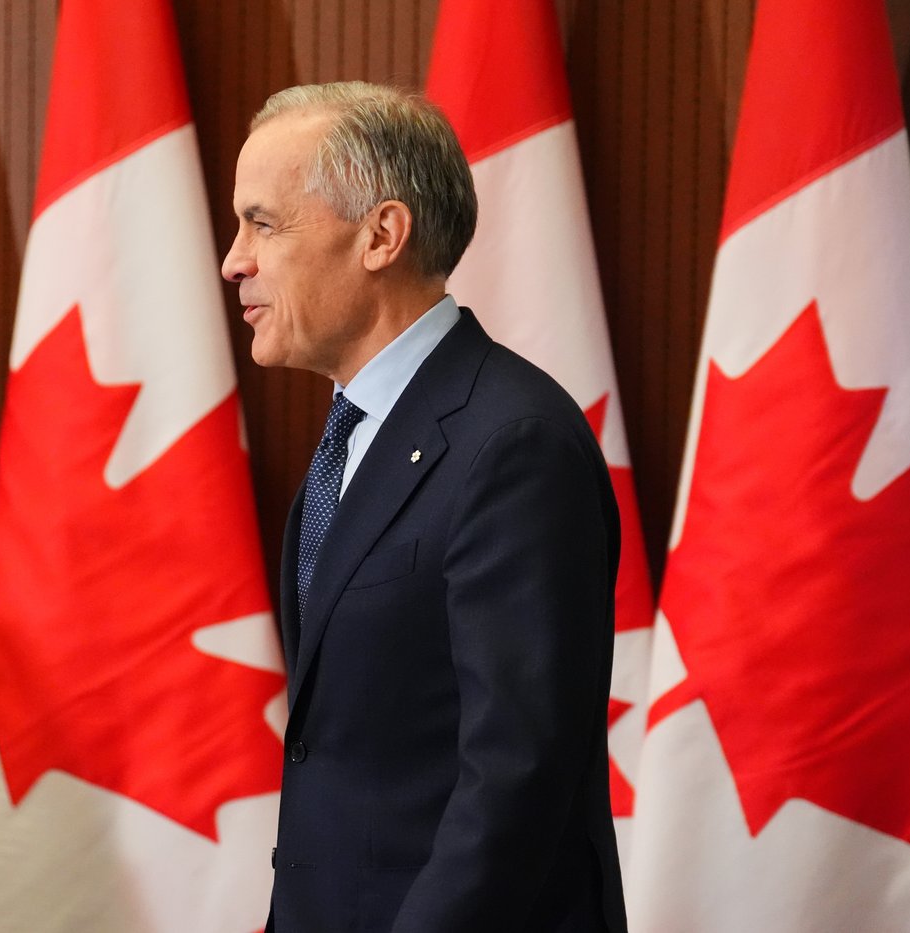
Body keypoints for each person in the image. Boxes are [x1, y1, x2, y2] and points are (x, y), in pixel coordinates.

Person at [221, 81, 627, 933]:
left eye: (263, 224)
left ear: (381, 235)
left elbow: (515, 777)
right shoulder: (355, 437)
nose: (235, 261)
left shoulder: (512, 444)